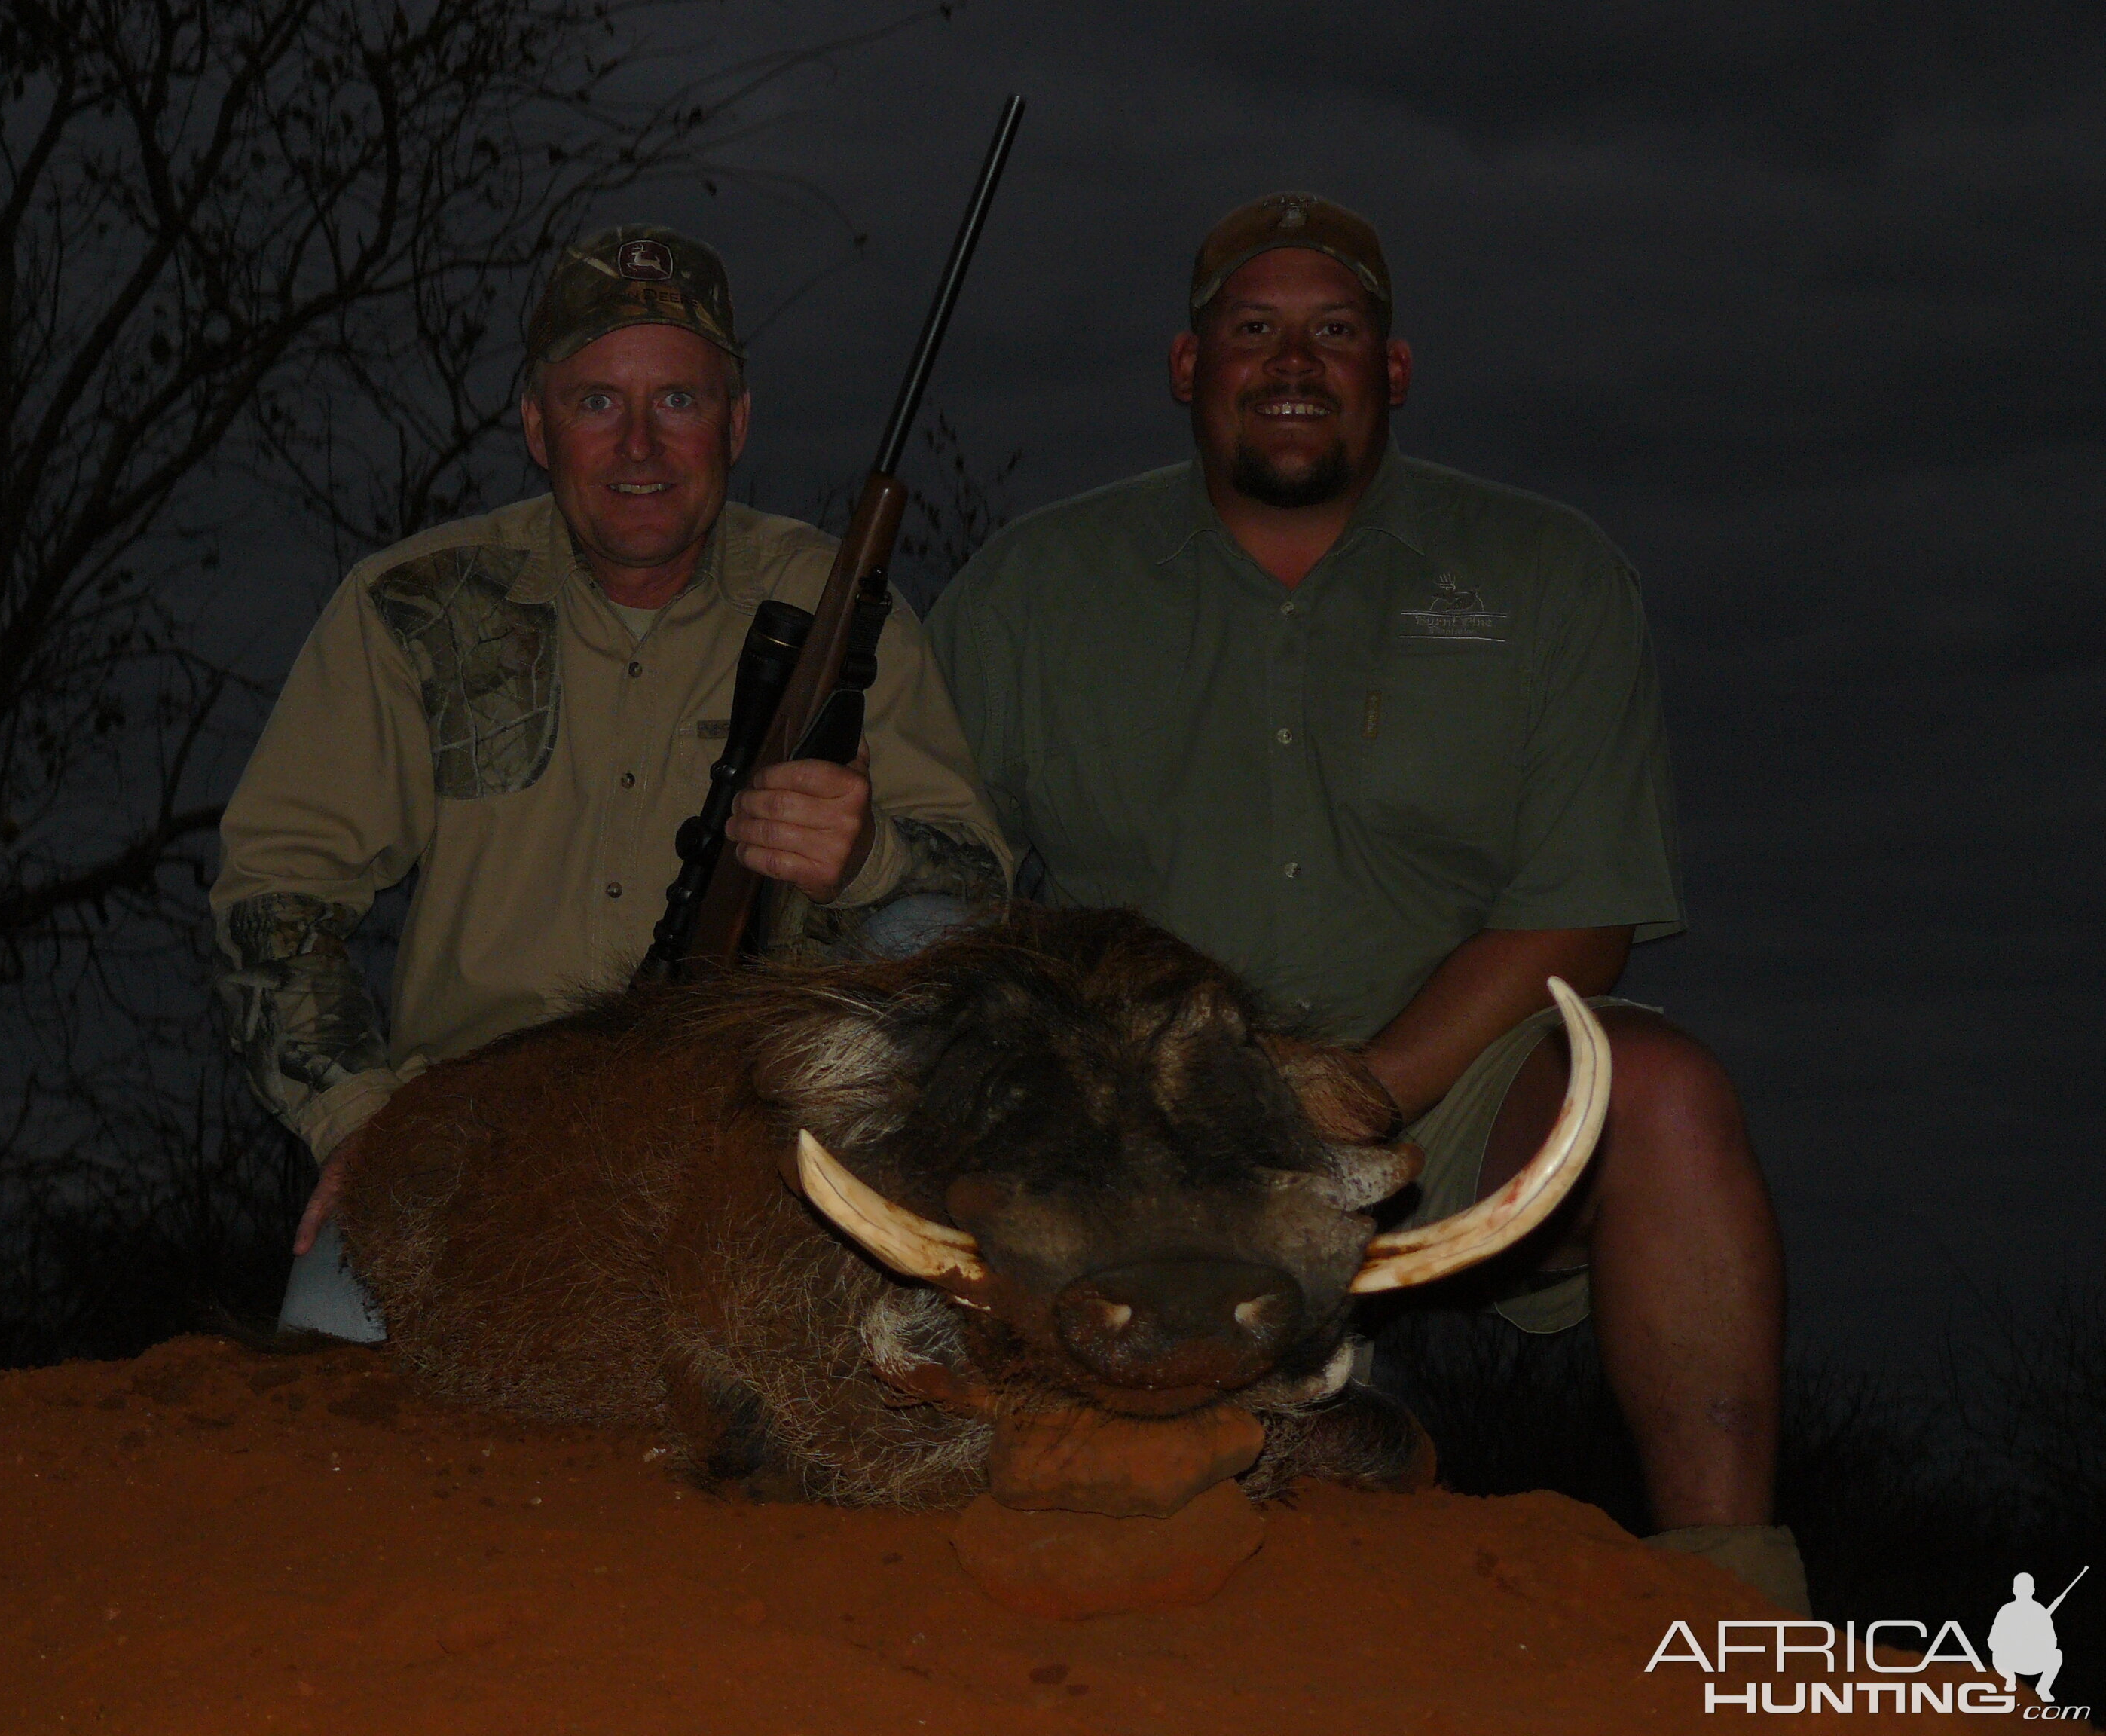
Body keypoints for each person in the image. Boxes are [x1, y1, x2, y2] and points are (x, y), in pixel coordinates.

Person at [925, 192, 1800, 1611]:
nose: (1291, 360)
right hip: (1135, 1116)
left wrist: (1364, 1087)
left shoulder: (1547, 572)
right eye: (1251, 327)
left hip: (1435, 1088)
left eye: (1334, 330)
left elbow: (1584, 910)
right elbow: (938, 878)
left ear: (1389, 372)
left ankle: (1728, 1592)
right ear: (1185, 366)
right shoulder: (1026, 588)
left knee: (1671, 1096)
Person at [215, 223, 1013, 1340]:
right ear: (537, 428)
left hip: (760, 1134)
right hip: (479, 1133)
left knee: (921, 932)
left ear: (736, 422)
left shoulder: (842, 604)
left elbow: (979, 896)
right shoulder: (410, 606)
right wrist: (358, 1121)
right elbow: (274, 890)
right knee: (337, 1351)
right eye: (596, 404)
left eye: (679, 403)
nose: (640, 446)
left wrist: (866, 853)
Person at [1989, 1572, 2068, 1702]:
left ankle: (2043, 1688)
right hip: (2010, 1660)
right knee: (1997, 1655)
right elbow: (1993, 1641)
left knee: (2056, 1655)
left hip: (2033, 1661)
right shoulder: (2007, 1610)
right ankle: (2010, 1679)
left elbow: (2052, 1642)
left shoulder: (2040, 1611)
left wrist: (2034, 1639)